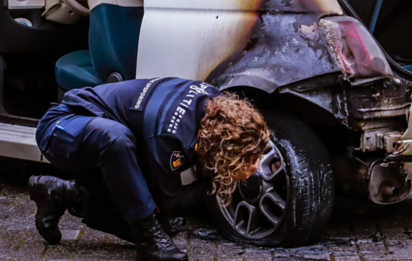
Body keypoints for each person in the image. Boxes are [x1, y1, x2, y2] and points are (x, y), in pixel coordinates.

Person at [28, 77, 270, 261]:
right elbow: (170, 199)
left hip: (104, 142)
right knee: (116, 139)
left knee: (158, 226)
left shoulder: (215, 105)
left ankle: (60, 192)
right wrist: (221, 181)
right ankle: (148, 246)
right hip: (61, 126)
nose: (256, 165)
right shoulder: (169, 135)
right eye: (247, 158)